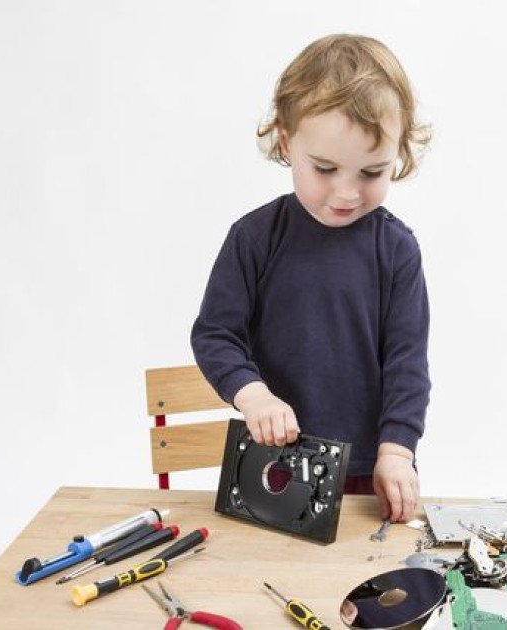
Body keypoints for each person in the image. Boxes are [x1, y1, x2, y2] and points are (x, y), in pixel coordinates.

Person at [191, 34, 431, 523]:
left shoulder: (397, 250)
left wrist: (397, 452)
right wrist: (252, 394)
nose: (346, 192)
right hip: (276, 463)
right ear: (286, 142)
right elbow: (215, 335)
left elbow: (407, 364)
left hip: (370, 469)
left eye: (372, 172)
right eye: (325, 168)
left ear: (398, 154)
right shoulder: (254, 239)